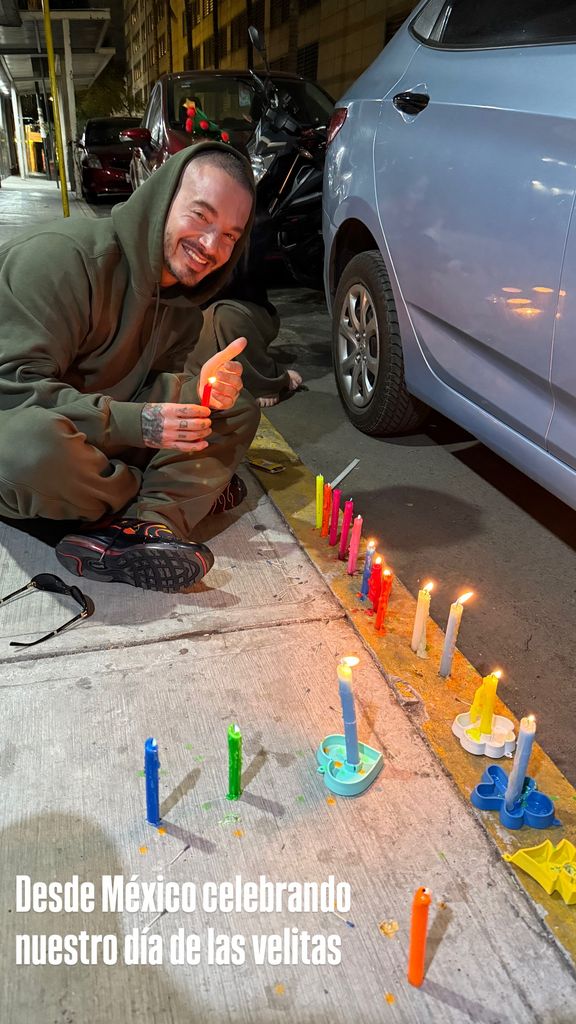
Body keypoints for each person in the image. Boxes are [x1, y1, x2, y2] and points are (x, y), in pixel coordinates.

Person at [0, 142, 261, 594]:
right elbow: (13, 389)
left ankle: (147, 525)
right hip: (22, 422)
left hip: (89, 431)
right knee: (34, 448)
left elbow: (146, 390)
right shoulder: (61, 259)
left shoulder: (182, 303)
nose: (210, 246)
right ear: (161, 198)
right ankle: (147, 501)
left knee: (235, 410)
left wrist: (203, 390)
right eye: (200, 216)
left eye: (230, 236)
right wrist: (140, 428)